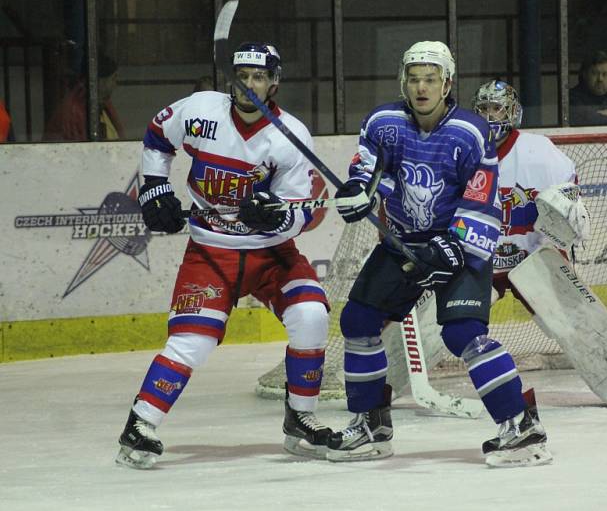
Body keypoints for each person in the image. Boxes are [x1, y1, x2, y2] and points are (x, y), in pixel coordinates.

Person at [326, 41, 551, 468]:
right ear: (403, 82)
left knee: (462, 333)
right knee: (358, 320)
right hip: (404, 240)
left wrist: (453, 244)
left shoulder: (470, 132)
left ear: (447, 83)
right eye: (414, 79)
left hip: (460, 241)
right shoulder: (383, 122)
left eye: (431, 79)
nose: (422, 87)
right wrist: (360, 191)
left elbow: (482, 199)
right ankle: (370, 426)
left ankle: (521, 426)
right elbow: (373, 169)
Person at [116, 42, 332, 469]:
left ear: (274, 82)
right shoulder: (200, 110)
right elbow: (158, 136)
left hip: (272, 255)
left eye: (259, 77)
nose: (249, 85)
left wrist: (273, 217)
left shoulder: (290, 136)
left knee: (312, 316)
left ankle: (300, 420)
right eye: (243, 76)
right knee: (191, 341)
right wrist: (155, 186)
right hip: (210, 253)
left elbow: (300, 217)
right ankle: (139, 424)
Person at [472, 79, 580, 284]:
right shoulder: (465, 151)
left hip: (537, 258)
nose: (489, 115)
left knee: (566, 314)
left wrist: (568, 219)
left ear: (512, 112)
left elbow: (569, 185)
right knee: (463, 315)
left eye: (497, 108)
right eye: (483, 108)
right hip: (480, 263)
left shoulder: (539, 151)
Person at [43, 54, 126, 140]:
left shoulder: (101, 102)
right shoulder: (73, 112)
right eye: (113, 78)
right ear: (99, 81)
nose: (116, 84)